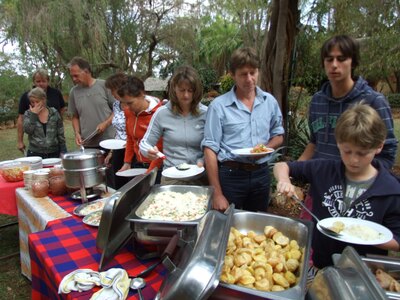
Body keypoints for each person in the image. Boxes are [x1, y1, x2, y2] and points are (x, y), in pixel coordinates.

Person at [274, 103, 400, 269]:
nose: (354, 160)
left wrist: (364, 236)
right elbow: (282, 166)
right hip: (320, 264)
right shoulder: (324, 170)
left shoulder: (390, 190)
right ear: (339, 143)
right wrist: (284, 180)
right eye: (347, 151)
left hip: (363, 271)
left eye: (362, 153)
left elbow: (397, 240)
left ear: (379, 147)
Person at [297, 34, 398, 220]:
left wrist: (363, 180)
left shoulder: (373, 101)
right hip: (320, 191)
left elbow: (388, 151)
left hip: (358, 195)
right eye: (329, 59)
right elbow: (314, 142)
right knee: (311, 243)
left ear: (353, 61)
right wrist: (295, 171)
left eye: (341, 59)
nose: (334, 65)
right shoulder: (317, 101)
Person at [201, 47, 284, 211]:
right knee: (227, 224)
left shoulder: (269, 102)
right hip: (231, 175)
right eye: (243, 74)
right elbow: (210, 149)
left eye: (253, 72)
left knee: (259, 225)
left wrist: (264, 149)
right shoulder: (219, 107)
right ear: (232, 75)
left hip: (261, 174)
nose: (249, 79)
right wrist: (217, 194)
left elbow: (278, 135)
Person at [139, 65, 208, 185]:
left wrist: (203, 160)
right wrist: (148, 151)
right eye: (182, 90)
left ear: (196, 91)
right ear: (174, 89)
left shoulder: (206, 113)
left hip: (200, 176)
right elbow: (145, 143)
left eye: (190, 90)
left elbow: (214, 145)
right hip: (172, 177)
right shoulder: (162, 113)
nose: (186, 95)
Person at [117, 75, 163, 177]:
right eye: (124, 104)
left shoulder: (159, 113)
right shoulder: (129, 112)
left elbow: (161, 147)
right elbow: (130, 138)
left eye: (130, 103)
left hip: (157, 166)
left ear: (142, 94)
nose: (127, 107)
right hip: (136, 164)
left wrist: (150, 172)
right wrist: (127, 162)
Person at [68, 56, 116, 149]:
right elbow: (75, 116)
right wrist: (77, 133)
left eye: (76, 75)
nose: (74, 79)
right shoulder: (74, 92)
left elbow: (118, 110)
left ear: (86, 71)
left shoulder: (104, 86)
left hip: (109, 141)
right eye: (72, 76)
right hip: (88, 143)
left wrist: (106, 123)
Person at [17, 69, 66, 154]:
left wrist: (55, 120)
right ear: (34, 82)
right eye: (38, 81)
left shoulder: (56, 93)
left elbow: (62, 109)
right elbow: (21, 120)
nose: (41, 84)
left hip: (54, 144)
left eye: (44, 81)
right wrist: (20, 141)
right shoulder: (26, 96)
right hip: (36, 148)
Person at [23, 87, 66, 158]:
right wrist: (33, 115)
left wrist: (63, 149)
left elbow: (60, 132)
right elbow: (28, 130)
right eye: (32, 102)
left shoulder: (54, 113)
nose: (35, 105)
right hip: (35, 153)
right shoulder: (28, 114)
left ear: (43, 100)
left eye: (37, 102)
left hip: (54, 152)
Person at [104, 72, 129, 189]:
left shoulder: (133, 104)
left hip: (132, 151)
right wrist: (111, 152)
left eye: (112, 90)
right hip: (119, 150)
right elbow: (118, 132)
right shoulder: (116, 105)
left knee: (131, 184)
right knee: (119, 184)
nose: (112, 93)